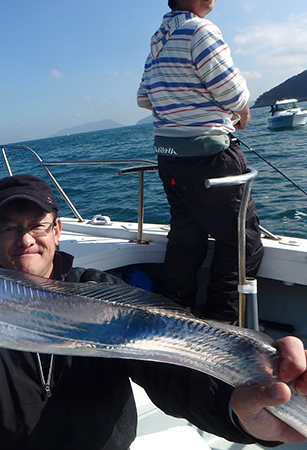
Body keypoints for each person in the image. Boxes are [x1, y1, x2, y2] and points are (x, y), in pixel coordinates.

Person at [0, 174, 307, 450]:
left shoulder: (101, 294)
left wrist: (236, 410)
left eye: (37, 224)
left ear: (57, 229)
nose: (25, 238)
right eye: (8, 227)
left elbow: (171, 372)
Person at [136, 0, 263, 321]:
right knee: (240, 241)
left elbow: (143, 98)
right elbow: (234, 93)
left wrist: (178, 108)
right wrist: (243, 113)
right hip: (212, 157)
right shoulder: (199, 30)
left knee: (186, 238)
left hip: (170, 160)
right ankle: (223, 325)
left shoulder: (159, 41)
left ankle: (174, 315)